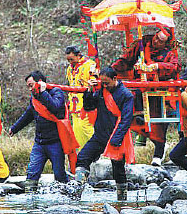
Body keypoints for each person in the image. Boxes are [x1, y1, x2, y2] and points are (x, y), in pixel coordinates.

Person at [112, 28, 180, 166]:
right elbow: (126, 60)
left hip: (158, 89)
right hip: (138, 86)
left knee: (159, 123)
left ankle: (158, 152)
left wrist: (157, 66)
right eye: (156, 37)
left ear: (165, 44)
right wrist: (110, 70)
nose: (156, 41)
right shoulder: (142, 45)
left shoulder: (169, 54)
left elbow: (174, 67)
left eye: (160, 41)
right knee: (125, 102)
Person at [9, 70, 76, 192]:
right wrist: (15, 128)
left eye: (31, 85)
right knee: (32, 174)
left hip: (55, 142)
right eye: (28, 86)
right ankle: (31, 200)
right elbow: (29, 114)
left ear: (40, 82)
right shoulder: (34, 98)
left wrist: (43, 92)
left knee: (59, 174)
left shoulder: (56, 92)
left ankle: (69, 198)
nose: (30, 89)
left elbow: (55, 107)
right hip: (39, 143)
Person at [74, 66, 134, 201]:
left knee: (118, 169)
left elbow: (126, 119)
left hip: (116, 136)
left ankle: (122, 200)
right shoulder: (102, 91)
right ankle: (76, 191)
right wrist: (89, 90)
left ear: (115, 79)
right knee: (82, 157)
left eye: (107, 82)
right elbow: (89, 107)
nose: (104, 85)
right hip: (100, 135)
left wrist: (116, 139)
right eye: (102, 82)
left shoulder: (126, 95)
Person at [65, 45, 97, 150]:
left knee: (87, 128)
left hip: (86, 103)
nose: (70, 62)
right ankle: (83, 153)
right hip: (74, 104)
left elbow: (94, 81)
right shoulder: (70, 68)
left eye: (72, 59)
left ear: (78, 55)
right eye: (68, 60)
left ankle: (97, 151)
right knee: (77, 131)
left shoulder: (90, 65)